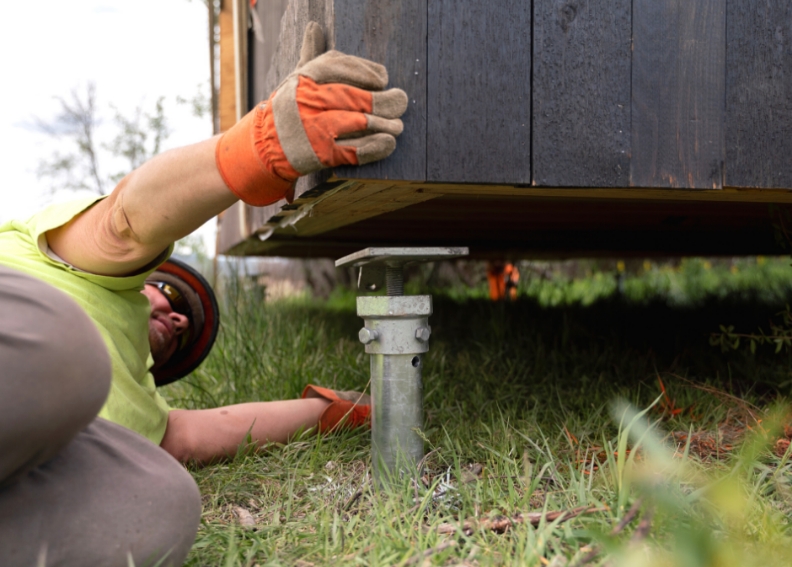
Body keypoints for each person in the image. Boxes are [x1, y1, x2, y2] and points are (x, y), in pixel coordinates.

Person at [0, 22, 407, 566]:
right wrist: (259, 147)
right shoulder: (65, 263)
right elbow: (126, 222)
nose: (182, 320)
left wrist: (329, 413)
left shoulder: (143, 414)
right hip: (40, 352)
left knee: (161, 505)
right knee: (66, 351)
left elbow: (202, 434)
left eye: (184, 334)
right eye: (170, 294)